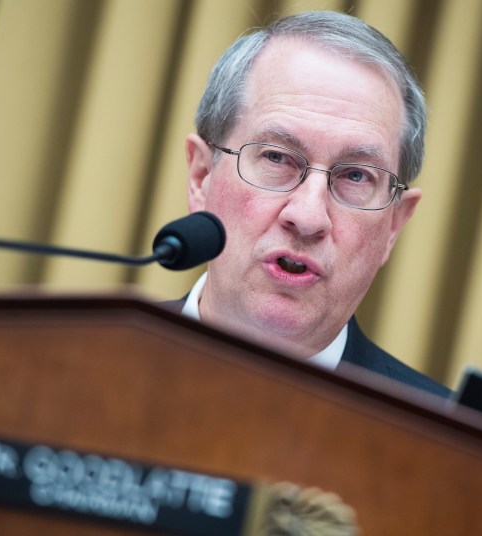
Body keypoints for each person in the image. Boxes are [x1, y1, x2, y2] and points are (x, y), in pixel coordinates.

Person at [173, 11, 450, 397]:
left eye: (356, 176)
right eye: (276, 158)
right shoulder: (72, 363)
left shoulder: (449, 446)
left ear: (393, 226)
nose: (307, 217)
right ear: (202, 176)